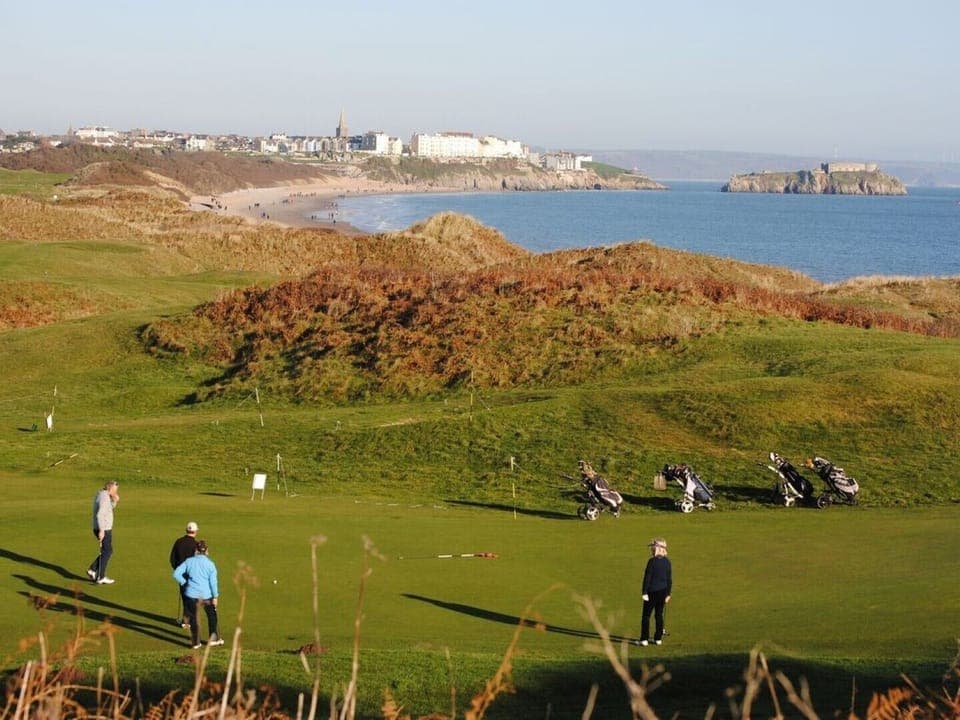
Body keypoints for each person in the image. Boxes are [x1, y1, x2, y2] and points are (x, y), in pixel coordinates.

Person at [172, 540, 224, 649]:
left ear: (196, 550)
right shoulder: (210, 564)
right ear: (207, 551)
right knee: (212, 616)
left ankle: (196, 643)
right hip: (207, 595)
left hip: (191, 595)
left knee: (194, 618)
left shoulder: (189, 561)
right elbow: (213, 583)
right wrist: (215, 596)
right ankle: (213, 639)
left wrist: (184, 582)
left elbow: (176, 573)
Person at [637, 537, 672, 646]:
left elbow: (647, 578)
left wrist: (644, 592)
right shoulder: (667, 562)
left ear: (656, 548)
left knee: (646, 616)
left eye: (652, 547)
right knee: (659, 615)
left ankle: (644, 639)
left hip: (652, 592)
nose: (651, 549)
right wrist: (668, 594)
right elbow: (669, 579)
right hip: (663, 592)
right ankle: (658, 639)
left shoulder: (652, 562)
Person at [87, 480, 120, 584]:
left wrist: (114, 500)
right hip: (104, 529)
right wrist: (102, 530)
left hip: (104, 528)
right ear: (110, 488)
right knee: (107, 551)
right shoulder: (104, 497)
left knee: (107, 551)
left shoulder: (104, 495)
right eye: (115, 490)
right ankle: (100, 576)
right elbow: (100, 514)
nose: (116, 492)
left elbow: (109, 508)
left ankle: (93, 570)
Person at [170, 521, 200, 628]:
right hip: (192, 576)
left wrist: (177, 569)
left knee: (185, 597)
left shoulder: (178, 542)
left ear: (186, 530)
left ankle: (186, 620)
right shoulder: (196, 545)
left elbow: (172, 559)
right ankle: (190, 620)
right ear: (195, 532)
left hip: (181, 575)